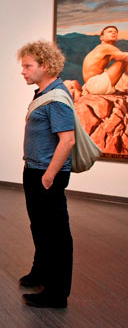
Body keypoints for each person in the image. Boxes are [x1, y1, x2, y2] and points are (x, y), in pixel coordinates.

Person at [18, 41, 75, 308]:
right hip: (35, 169)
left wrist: (49, 176)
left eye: (28, 66)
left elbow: (67, 141)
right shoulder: (43, 93)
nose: (23, 71)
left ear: (46, 66)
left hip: (46, 173)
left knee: (56, 234)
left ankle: (57, 293)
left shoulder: (58, 97)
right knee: (39, 226)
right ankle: (40, 272)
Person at [82, 25, 128, 94]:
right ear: (101, 37)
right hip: (96, 85)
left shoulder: (101, 49)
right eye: (110, 32)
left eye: (115, 32)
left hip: (90, 85)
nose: (113, 33)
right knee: (124, 60)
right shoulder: (106, 47)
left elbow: (117, 57)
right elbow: (125, 56)